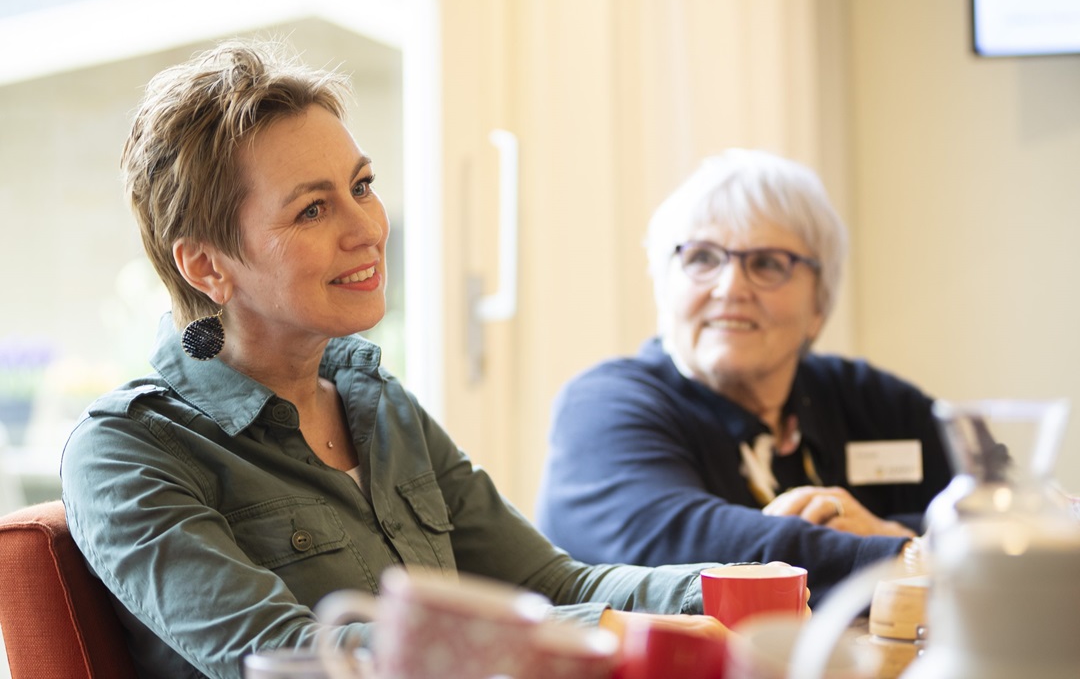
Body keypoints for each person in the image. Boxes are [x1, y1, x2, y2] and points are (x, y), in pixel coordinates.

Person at [59, 39, 724, 679]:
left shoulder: (373, 401)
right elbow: (288, 654)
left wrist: (723, 591)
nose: (368, 230)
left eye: (363, 185)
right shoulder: (128, 451)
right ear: (207, 264)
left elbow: (550, 583)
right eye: (314, 209)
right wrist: (604, 632)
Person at [535, 149, 951, 603]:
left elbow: (1003, 515)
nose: (731, 287)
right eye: (701, 258)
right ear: (664, 286)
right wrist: (912, 554)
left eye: (768, 263)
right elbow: (682, 545)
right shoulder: (604, 407)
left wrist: (890, 532)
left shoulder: (871, 402)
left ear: (819, 304)